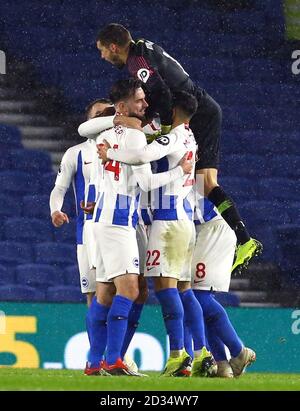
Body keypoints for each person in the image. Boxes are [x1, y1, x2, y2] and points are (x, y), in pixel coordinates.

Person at [95, 23, 263, 275]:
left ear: (113, 47)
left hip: (198, 112)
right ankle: (243, 238)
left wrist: (160, 128)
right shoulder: (143, 47)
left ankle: (240, 238)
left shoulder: (136, 61)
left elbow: (161, 94)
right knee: (205, 183)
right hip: (201, 107)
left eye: (102, 51)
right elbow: (161, 91)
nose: (102, 57)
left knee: (205, 183)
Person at [98, 90, 216, 378]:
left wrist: (110, 152)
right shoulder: (190, 137)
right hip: (182, 220)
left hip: (168, 222)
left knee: (166, 290)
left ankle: (179, 355)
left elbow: (142, 155)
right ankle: (200, 352)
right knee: (184, 290)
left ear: (174, 109)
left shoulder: (174, 136)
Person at [86, 78, 193, 376]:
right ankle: (113, 359)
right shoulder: (134, 138)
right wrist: (178, 171)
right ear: (122, 106)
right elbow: (146, 183)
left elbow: (88, 132)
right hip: (119, 221)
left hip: (108, 218)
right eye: (139, 100)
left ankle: (95, 362)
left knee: (107, 292)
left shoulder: (105, 134)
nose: (145, 104)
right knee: (131, 289)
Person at [49, 98, 112, 306]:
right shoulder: (75, 153)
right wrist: (55, 210)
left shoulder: (124, 149)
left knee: (120, 290)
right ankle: (97, 339)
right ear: (88, 121)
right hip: (86, 232)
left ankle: (117, 338)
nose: (104, 118)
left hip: (116, 227)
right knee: (93, 296)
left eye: (108, 113)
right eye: (98, 115)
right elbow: (59, 188)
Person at [190, 187, 256, 378]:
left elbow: (210, 185)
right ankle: (221, 363)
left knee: (196, 297)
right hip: (202, 228)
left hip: (212, 226)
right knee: (197, 301)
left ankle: (238, 351)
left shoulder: (191, 162)